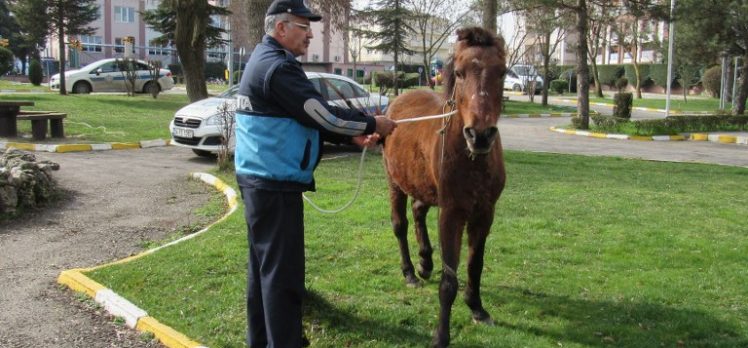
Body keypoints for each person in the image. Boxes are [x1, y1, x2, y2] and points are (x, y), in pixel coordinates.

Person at [234, 0, 398, 346]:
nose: (310, 34)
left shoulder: (266, 61)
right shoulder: (278, 68)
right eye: (303, 26)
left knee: (264, 272)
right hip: (273, 186)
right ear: (281, 28)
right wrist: (371, 123)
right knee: (283, 277)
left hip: (261, 183)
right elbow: (318, 112)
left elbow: (303, 114)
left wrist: (351, 133)